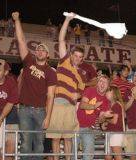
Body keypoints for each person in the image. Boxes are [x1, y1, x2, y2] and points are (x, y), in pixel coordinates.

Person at [12, 11, 57, 160]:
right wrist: (17, 20)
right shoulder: (29, 61)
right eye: (38, 49)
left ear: (47, 55)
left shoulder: (50, 72)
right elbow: (21, 40)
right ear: (35, 52)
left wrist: (48, 117)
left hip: (40, 111)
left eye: (43, 50)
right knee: (25, 142)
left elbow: (51, 95)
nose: (40, 51)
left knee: (39, 143)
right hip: (24, 109)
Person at [46, 12, 86, 160]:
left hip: (70, 107)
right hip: (56, 104)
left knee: (68, 138)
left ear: (82, 59)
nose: (77, 58)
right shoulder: (64, 61)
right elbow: (61, 39)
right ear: (71, 55)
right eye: (75, 55)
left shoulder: (82, 74)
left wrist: (79, 95)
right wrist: (67, 20)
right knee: (56, 138)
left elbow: (81, 92)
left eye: (80, 57)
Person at [77, 75, 110, 160]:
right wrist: (95, 106)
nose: (102, 84)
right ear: (97, 83)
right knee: (72, 153)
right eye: (100, 81)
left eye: (105, 83)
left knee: (88, 155)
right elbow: (82, 105)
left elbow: (100, 119)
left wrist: (104, 117)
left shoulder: (106, 101)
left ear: (108, 86)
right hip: (76, 125)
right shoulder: (90, 90)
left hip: (89, 128)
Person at [102, 85, 125, 160]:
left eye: (109, 91)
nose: (106, 93)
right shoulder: (111, 105)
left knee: (117, 156)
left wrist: (105, 119)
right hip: (111, 133)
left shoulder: (116, 105)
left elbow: (114, 121)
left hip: (116, 133)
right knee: (108, 157)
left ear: (114, 94)